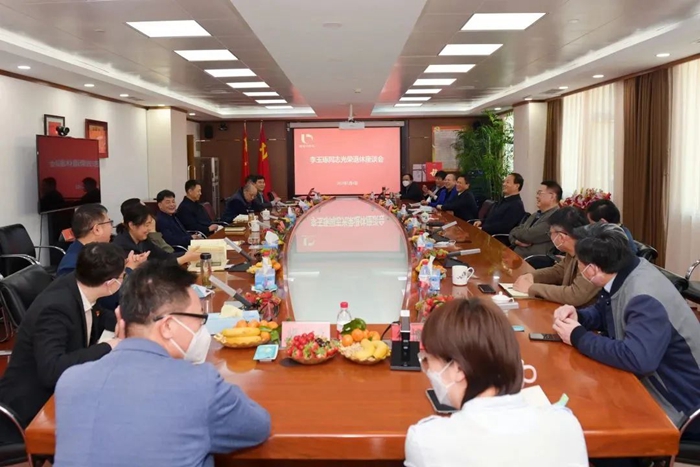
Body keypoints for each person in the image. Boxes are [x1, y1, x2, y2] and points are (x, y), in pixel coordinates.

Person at [54, 262, 271, 467]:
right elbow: (258, 426)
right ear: (167, 326)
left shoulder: (71, 381)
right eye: (199, 319)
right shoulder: (199, 384)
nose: (200, 328)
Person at [552, 223, 700, 465]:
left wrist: (578, 336)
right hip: (652, 385)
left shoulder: (644, 296)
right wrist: (579, 317)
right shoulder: (626, 270)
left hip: (680, 401)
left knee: (599, 436)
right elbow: (606, 310)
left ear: (592, 269)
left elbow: (639, 359)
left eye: (579, 264)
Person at [405, 298, 588, 467]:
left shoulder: (427, 441)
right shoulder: (566, 425)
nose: (427, 370)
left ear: (459, 369)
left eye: (428, 361)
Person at [0, 243, 126, 444]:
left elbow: (99, 315)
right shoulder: (56, 308)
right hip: (33, 408)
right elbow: (52, 370)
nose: (123, 280)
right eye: (122, 276)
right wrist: (109, 346)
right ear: (110, 283)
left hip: (62, 387)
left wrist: (129, 323)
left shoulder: (80, 284)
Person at [513, 207, 599, 306]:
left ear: (561, 237)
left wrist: (532, 288)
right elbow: (558, 271)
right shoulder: (574, 249)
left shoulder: (591, 255)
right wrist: (532, 276)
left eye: (550, 233)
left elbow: (575, 295)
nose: (550, 237)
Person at [114, 203, 199, 267]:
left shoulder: (142, 240)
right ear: (132, 225)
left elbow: (165, 256)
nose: (149, 229)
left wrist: (188, 253)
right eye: (146, 225)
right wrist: (182, 259)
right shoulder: (122, 246)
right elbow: (152, 267)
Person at [509, 180, 561, 258]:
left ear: (552, 196)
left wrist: (516, 233)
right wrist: (515, 241)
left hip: (531, 260)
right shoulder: (536, 214)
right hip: (515, 254)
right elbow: (513, 231)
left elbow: (527, 236)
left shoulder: (556, 217)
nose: (537, 196)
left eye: (540, 193)